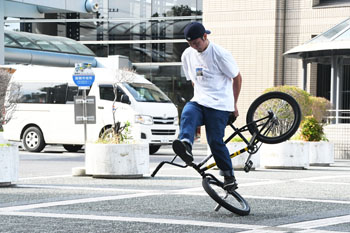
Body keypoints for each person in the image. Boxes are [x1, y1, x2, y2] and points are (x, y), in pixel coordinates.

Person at [172, 22, 242, 191]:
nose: (194, 47)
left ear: (205, 37)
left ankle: (229, 176)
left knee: (214, 141)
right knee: (188, 112)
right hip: (201, 100)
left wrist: (234, 104)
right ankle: (186, 144)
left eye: (196, 43)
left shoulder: (220, 54)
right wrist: (199, 97)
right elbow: (194, 81)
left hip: (220, 105)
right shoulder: (188, 54)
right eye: (190, 44)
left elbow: (237, 78)